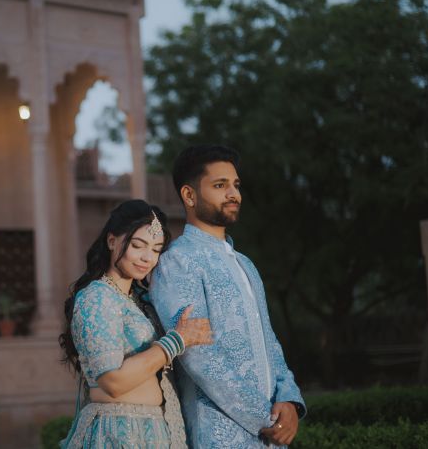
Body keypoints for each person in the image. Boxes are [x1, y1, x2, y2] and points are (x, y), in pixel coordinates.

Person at [150, 145, 306, 448]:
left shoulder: (245, 264)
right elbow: (197, 355)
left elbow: (268, 341)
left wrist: (289, 400)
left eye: (236, 185)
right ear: (189, 195)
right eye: (220, 185)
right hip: (220, 434)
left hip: (271, 435)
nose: (233, 194)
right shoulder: (178, 262)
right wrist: (265, 418)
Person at [59, 199, 213, 448]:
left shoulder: (139, 301)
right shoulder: (97, 296)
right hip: (117, 434)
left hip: (155, 432)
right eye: (138, 245)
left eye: (155, 249)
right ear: (112, 241)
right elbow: (113, 382)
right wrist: (177, 341)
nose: (147, 258)